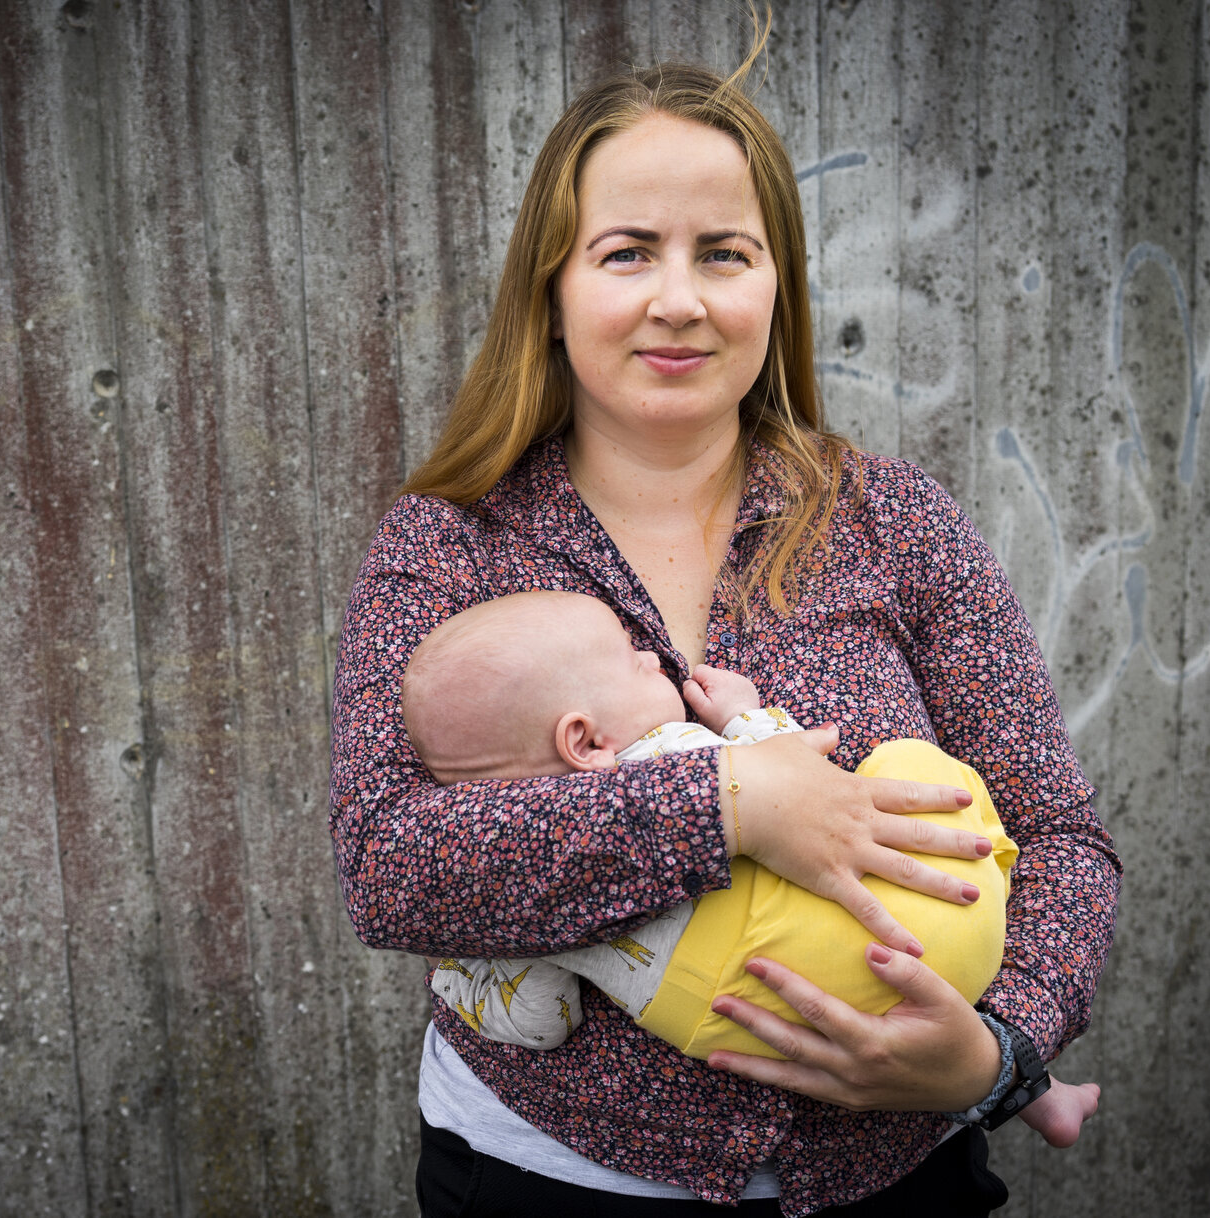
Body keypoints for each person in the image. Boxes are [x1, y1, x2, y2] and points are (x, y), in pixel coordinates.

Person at [329, 46, 1119, 1215]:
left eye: (722, 253)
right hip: (543, 1184)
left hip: (894, 1182)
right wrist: (727, 805)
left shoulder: (895, 522)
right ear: (551, 289)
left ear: (775, 287)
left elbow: (1057, 836)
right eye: (626, 252)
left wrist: (995, 1053)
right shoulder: (445, 544)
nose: (678, 300)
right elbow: (388, 868)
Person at [400, 588, 1098, 1151]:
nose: (652, 656)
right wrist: (743, 716)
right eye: (630, 657)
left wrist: (462, 970)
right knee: (910, 765)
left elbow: (541, 1021)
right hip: (929, 943)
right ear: (582, 740)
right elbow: (801, 768)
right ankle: (1022, 1084)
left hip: (727, 1012)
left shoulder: (536, 896)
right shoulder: (675, 751)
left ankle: (1018, 1086)